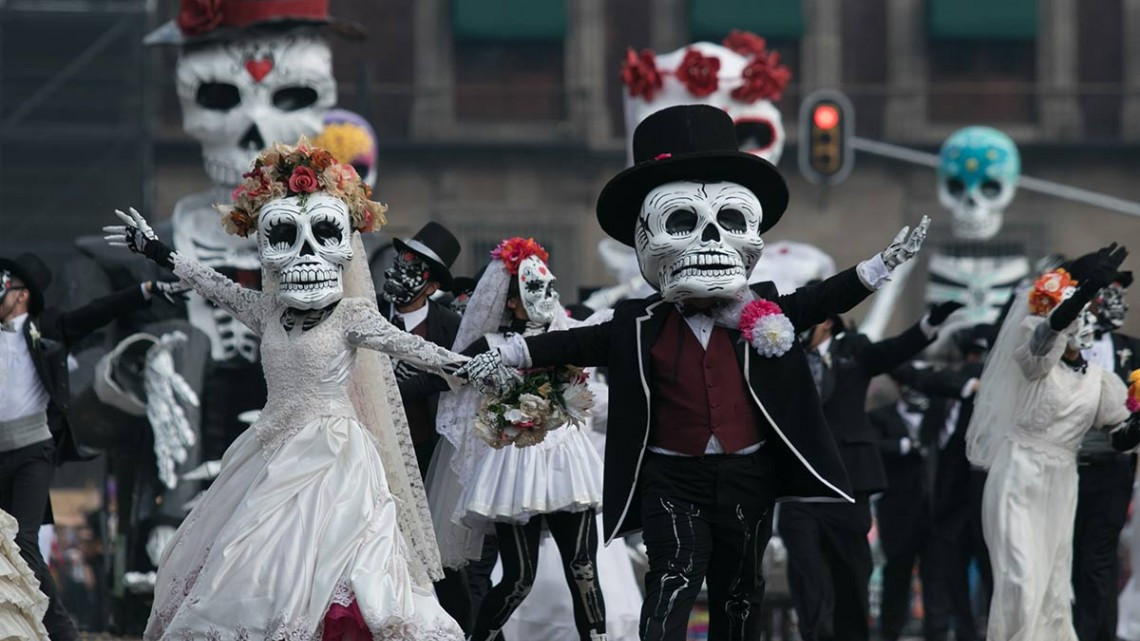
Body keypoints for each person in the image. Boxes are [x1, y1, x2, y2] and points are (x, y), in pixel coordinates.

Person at [460, 105, 930, 640]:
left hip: (747, 476)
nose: (710, 242)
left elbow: (822, 298)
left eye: (727, 224)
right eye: (684, 223)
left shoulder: (766, 309)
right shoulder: (637, 323)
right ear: (645, 240)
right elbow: (574, 341)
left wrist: (879, 267)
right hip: (672, 479)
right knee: (672, 584)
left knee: (739, 596)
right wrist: (509, 350)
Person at [102, 141, 471, 640]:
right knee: (251, 552)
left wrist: (479, 367)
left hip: (335, 454)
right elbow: (211, 283)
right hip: (271, 446)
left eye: (322, 235)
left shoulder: (353, 314)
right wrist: (156, 250)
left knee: (341, 555)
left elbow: (415, 350)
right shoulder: (267, 311)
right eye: (283, 236)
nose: (305, 254)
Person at [405, 238, 609, 641]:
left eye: (550, 286)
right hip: (516, 465)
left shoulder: (566, 337)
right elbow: (442, 375)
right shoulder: (491, 346)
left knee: (583, 568)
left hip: (566, 460)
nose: (546, 296)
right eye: (534, 289)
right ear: (510, 302)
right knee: (519, 578)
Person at [966, 245, 1140, 641]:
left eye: (1084, 315)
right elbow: (1050, 333)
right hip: (1018, 475)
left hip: (1061, 484)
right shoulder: (1036, 358)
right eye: (1074, 312)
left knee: (1052, 587)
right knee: (1021, 579)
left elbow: (1120, 438)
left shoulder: (1099, 381)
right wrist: (1086, 288)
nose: (1079, 322)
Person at [0, 251, 175, 641]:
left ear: (22, 295)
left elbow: (98, 310)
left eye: (5, 285)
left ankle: (59, 628)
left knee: (22, 540)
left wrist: (143, 290)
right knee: (3, 544)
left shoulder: (47, 327)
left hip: (33, 449)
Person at [779, 302, 958, 641]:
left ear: (828, 323)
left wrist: (929, 323)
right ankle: (815, 635)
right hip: (798, 483)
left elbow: (893, 351)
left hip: (848, 483)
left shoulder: (855, 350)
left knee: (852, 573)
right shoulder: (780, 353)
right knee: (807, 573)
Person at [1073, 271, 1140, 641]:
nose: (1114, 301)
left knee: (1098, 559)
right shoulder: (1067, 345)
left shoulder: (1133, 348)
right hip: (1066, 468)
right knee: (1069, 556)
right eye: (1107, 293)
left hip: (1113, 469)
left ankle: (1096, 634)